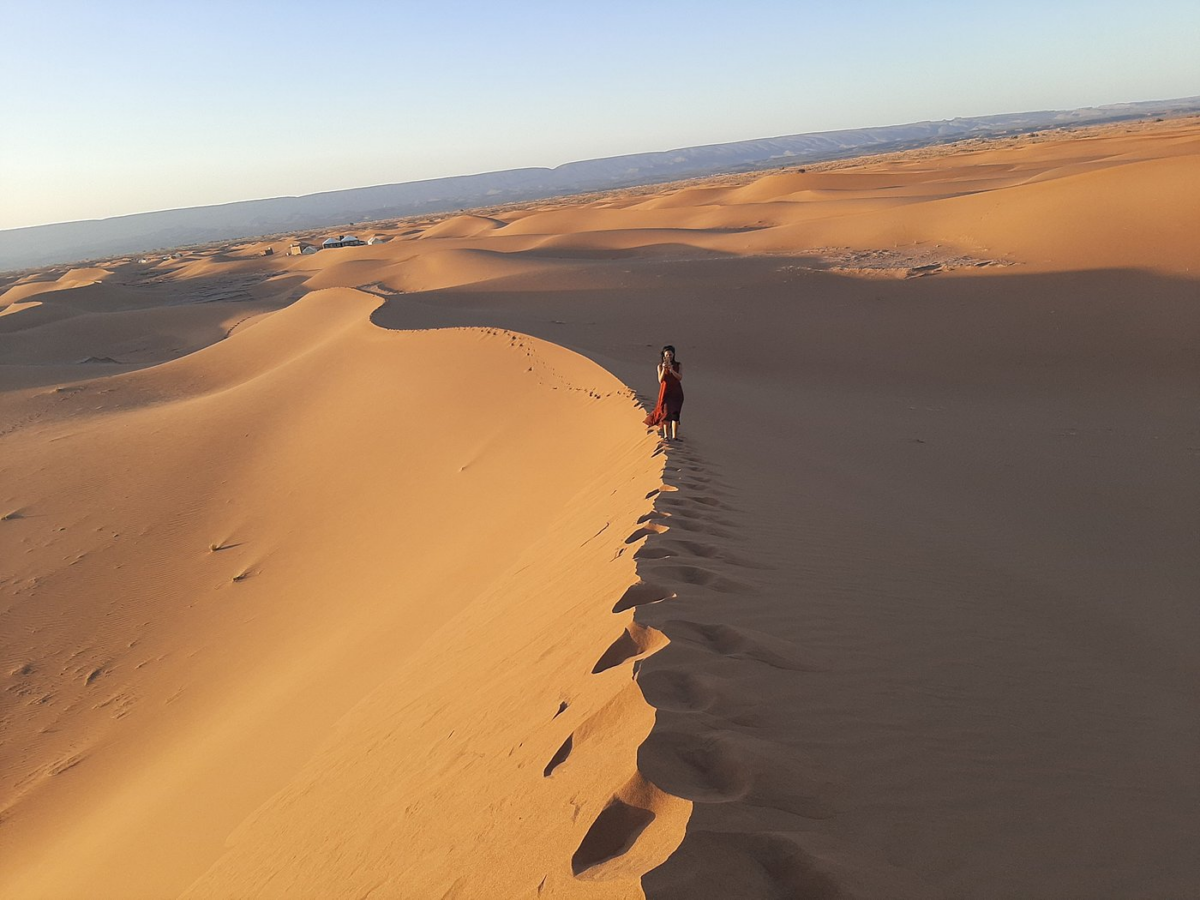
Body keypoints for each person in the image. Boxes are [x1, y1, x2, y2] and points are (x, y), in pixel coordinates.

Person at [644, 345, 684, 441]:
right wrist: (664, 369)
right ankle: (666, 435)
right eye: (667, 355)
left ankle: (675, 437)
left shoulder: (678, 365)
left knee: (675, 414)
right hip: (665, 392)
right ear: (663, 356)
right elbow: (660, 380)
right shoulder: (659, 366)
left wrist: (671, 370)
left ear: (674, 355)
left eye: (670, 355)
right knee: (666, 414)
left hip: (677, 393)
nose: (669, 357)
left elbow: (680, 378)